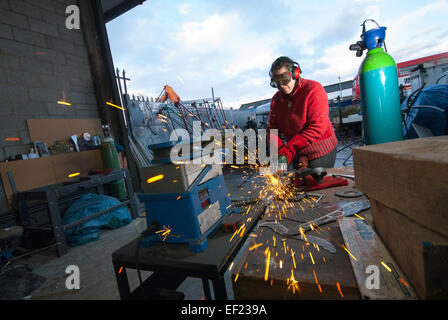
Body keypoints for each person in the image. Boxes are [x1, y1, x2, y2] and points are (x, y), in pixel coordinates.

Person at [267, 56, 338, 169]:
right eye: (276, 83)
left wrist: (288, 151)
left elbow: (316, 128)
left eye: (284, 79)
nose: (281, 86)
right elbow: (272, 129)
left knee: (318, 184)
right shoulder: (276, 100)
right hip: (295, 153)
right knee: (297, 185)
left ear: (296, 73)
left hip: (319, 151)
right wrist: (279, 153)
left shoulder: (314, 89)